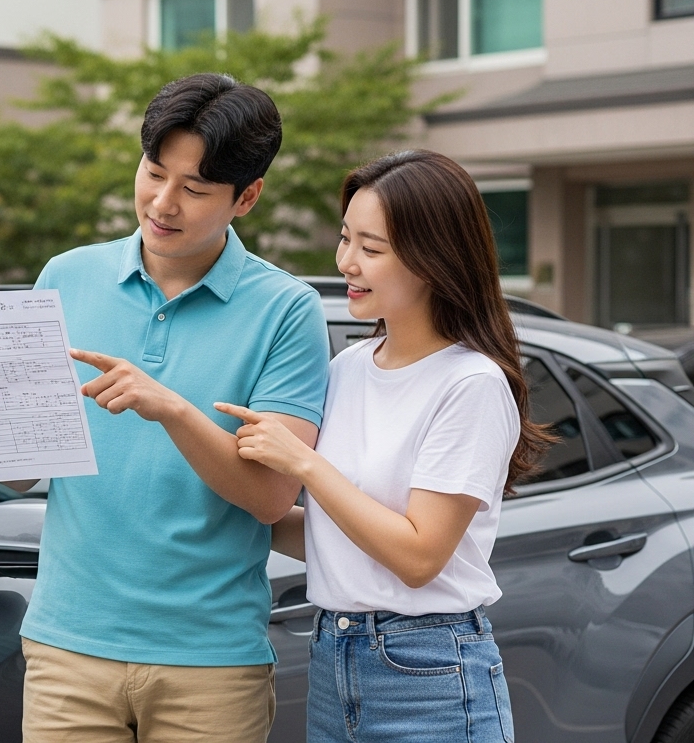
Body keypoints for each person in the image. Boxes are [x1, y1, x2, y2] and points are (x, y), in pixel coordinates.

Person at [0, 73, 331, 743]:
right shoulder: (66, 276)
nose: (163, 203)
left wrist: (172, 409)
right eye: (154, 172)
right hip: (67, 647)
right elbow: (22, 474)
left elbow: (270, 496)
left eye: (195, 188)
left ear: (247, 197)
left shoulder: (286, 310)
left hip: (210, 662)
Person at [218, 149, 550, 743]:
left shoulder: (471, 383)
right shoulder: (347, 368)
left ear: (433, 259)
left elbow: (418, 558)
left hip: (430, 670)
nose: (346, 261)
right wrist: (213, 485)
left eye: (371, 248)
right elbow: (333, 535)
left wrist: (303, 464)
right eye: (345, 238)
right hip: (333, 658)